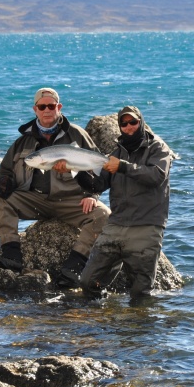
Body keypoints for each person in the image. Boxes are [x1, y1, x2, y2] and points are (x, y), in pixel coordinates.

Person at [0, 87, 110, 287]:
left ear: (59, 107)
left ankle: (75, 265)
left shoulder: (77, 134)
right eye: (42, 106)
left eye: (51, 106)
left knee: (104, 215)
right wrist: (4, 187)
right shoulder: (23, 141)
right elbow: (6, 170)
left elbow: (99, 167)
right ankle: (11, 254)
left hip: (71, 201)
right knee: (1, 202)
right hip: (35, 201)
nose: (47, 110)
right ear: (35, 109)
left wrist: (93, 194)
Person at [75, 105, 173, 300]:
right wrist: (75, 171)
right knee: (88, 282)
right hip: (116, 225)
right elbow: (99, 184)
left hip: (146, 226)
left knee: (140, 292)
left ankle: (138, 328)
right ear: (119, 126)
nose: (129, 127)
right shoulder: (116, 152)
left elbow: (156, 176)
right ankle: (103, 322)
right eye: (124, 123)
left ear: (141, 122)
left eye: (133, 122)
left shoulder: (158, 148)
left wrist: (122, 166)